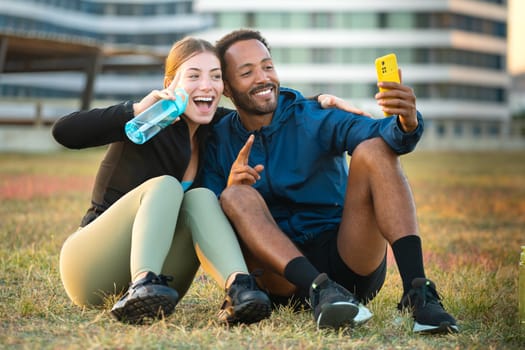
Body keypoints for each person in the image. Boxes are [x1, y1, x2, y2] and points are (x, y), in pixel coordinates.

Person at [202, 29, 459, 334]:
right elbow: (205, 214)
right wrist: (228, 189)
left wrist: (406, 123)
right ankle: (320, 290)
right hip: (281, 277)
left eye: (267, 66)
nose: (262, 78)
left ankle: (419, 294)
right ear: (227, 88)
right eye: (247, 72)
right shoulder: (217, 140)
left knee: (375, 149)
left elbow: (376, 131)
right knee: (234, 196)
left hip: (346, 258)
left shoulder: (312, 117)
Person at [52, 37, 273, 325]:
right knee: (166, 185)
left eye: (216, 76)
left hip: (165, 286)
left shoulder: (217, 129)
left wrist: (321, 104)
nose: (207, 85)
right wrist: (135, 110)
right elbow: (64, 132)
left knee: (201, 196)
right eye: (194, 76)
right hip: (89, 269)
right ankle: (141, 283)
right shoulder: (146, 121)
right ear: (170, 83)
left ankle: (240, 289)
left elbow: (271, 114)